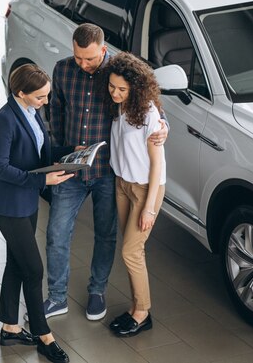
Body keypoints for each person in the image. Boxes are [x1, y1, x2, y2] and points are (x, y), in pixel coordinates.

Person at [44, 23, 168, 321]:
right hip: (71, 169)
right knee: (57, 233)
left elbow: (147, 102)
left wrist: (163, 125)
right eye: (77, 57)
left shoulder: (117, 74)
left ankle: (97, 292)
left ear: (103, 49)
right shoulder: (62, 70)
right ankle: (57, 297)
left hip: (107, 173)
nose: (83, 64)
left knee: (106, 234)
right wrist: (60, 153)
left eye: (89, 58)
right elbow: (56, 112)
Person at [0, 64, 74, 363]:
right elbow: (0, 168)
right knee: (34, 269)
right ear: (20, 93)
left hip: (28, 202)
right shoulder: (4, 120)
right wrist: (41, 180)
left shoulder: (32, 112)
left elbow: (41, 152)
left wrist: (73, 151)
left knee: (17, 263)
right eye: (40, 97)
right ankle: (43, 335)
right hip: (9, 207)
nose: (45, 102)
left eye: (46, 96)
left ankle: (10, 327)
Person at [104, 52, 166, 336]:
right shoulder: (118, 105)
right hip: (122, 184)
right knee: (132, 251)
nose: (115, 93)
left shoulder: (148, 114)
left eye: (122, 89)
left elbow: (158, 164)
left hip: (144, 189)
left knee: (130, 250)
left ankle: (142, 313)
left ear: (136, 88)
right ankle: (135, 307)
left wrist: (150, 208)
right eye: (112, 86)